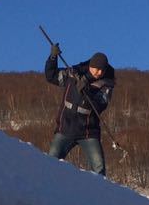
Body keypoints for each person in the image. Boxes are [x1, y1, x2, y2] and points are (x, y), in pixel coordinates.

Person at [44, 45, 115, 176]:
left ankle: (98, 194)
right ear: (90, 66)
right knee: (50, 163)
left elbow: (100, 105)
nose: (99, 72)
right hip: (65, 128)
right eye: (96, 69)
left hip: (88, 132)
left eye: (102, 70)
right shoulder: (73, 74)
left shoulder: (107, 84)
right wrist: (53, 57)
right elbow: (51, 76)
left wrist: (85, 89)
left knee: (99, 168)